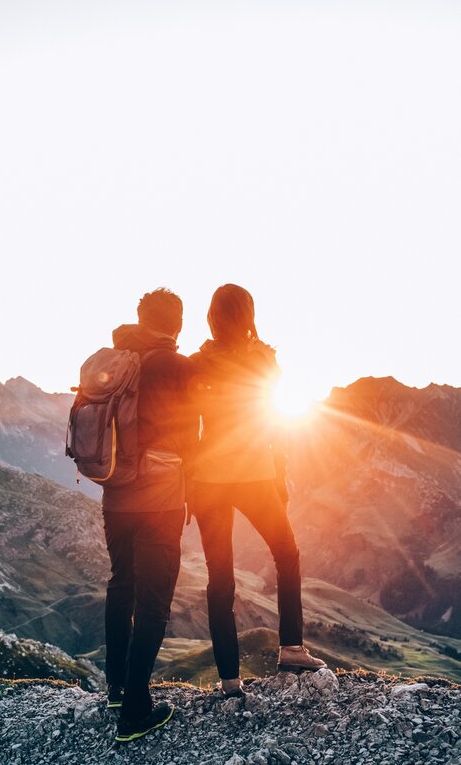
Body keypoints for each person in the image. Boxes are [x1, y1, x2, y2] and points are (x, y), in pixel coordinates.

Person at [190, 283, 326, 697]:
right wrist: (280, 477)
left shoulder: (198, 362)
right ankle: (291, 648)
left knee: (220, 579)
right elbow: (274, 422)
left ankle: (230, 679)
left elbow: (185, 423)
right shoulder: (263, 360)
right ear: (249, 317)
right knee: (287, 554)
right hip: (253, 474)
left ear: (211, 318)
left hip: (207, 480)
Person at [102, 288, 198, 742]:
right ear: (177, 325)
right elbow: (193, 435)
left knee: (121, 584)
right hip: (159, 498)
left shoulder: (117, 361)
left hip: (114, 494)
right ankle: (136, 712)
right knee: (154, 603)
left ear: (141, 319)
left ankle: (117, 689)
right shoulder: (175, 366)